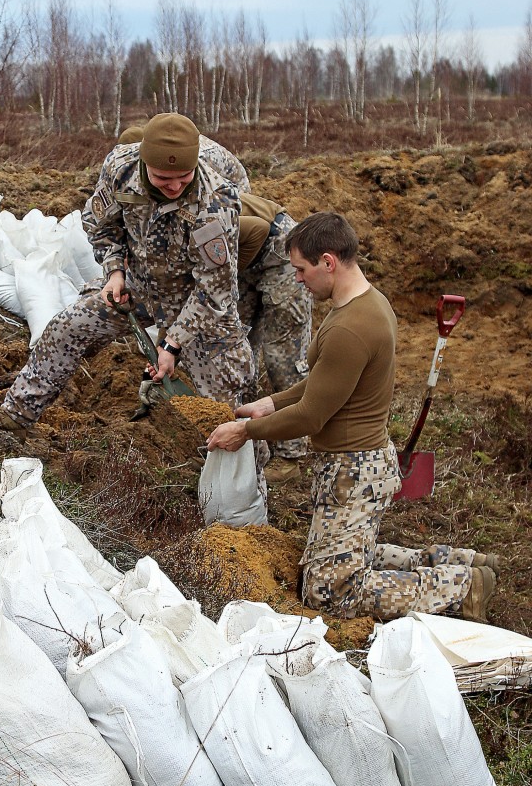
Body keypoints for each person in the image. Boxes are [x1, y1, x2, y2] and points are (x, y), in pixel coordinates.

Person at [206, 211, 499, 622]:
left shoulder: (350, 327)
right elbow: (326, 382)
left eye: (301, 269)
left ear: (328, 262)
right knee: (335, 557)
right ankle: (461, 560)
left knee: (329, 591)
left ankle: (462, 587)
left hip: (354, 472)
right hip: (356, 464)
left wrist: (247, 431)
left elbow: (311, 416)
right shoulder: (362, 303)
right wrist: (270, 404)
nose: (298, 279)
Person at [0, 113, 257, 438]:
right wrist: (115, 272)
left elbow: (215, 290)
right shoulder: (121, 169)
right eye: (162, 178)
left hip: (200, 308)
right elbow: (102, 227)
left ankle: (250, 474)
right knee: (65, 328)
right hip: (140, 287)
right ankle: (15, 414)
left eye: (184, 178)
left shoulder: (217, 199)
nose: (174, 187)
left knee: (231, 395)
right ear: (145, 164)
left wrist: (172, 344)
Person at [238, 193, 312, 485]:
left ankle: (291, 454)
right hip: (242, 259)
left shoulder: (198, 205)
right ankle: (246, 434)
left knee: (282, 357)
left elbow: (256, 230)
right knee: (236, 347)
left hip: (279, 253)